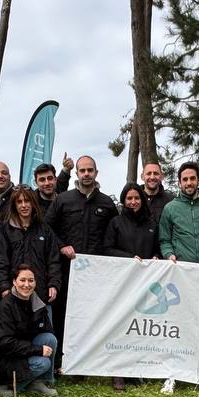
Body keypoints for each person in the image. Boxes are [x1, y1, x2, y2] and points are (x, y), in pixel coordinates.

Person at [157, 161, 199, 395]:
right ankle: (172, 374)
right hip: (181, 278)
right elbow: (165, 239)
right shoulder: (170, 208)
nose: (189, 183)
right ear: (179, 182)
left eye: (192, 179)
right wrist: (169, 254)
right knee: (178, 326)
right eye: (185, 179)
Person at [45, 155, 118, 364]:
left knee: (94, 314)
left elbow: (115, 232)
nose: (86, 174)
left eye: (90, 170)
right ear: (76, 173)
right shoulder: (63, 199)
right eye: (82, 170)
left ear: (96, 172)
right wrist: (61, 246)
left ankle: (89, 360)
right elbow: (46, 228)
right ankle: (61, 359)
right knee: (64, 314)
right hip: (68, 269)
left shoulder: (106, 202)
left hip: (97, 272)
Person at [103, 183, 160, 392]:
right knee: (120, 325)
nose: (133, 202)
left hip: (145, 282)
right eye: (129, 198)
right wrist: (129, 258)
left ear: (142, 200)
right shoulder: (116, 222)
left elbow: (157, 249)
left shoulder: (151, 223)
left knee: (139, 326)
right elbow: (107, 249)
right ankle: (118, 373)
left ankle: (135, 370)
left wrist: (155, 257)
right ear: (123, 200)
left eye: (137, 198)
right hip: (121, 282)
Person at [0, 265, 58, 397]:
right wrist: (37, 350)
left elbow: (47, 330)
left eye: (31, 280)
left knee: (50, 338)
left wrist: (37, 348)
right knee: (43, 363)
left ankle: (39, 382)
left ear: (35, 282)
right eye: (22, 280)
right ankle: (6, 386)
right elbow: (5, 344)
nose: (27, 285)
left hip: (24, 350)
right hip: (6, 357)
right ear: (14, 282)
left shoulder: (37, 303)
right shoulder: (5, 306)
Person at [0, 185, 62, 303]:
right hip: (13, 294)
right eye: (19, 202)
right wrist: (4, 287)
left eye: (27, 201)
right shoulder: (6, 230)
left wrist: (54, 284)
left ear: (33, 203)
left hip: (41, 293)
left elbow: (53, 261)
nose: (24, 205)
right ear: (14, 205)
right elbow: (1, 261)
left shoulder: (45, 229)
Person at [140, 160, 173, 225]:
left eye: (156, 173)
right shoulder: (134, 200)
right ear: (142, 176)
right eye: (148, 173)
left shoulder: (171, 201)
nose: (152, 177)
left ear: (162, 176)